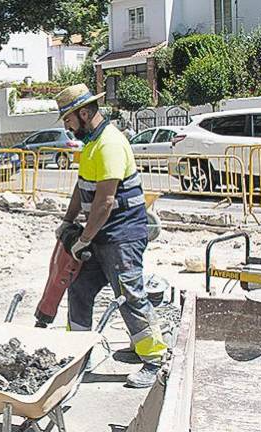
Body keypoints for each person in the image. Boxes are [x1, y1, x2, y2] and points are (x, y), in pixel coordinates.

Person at [54, 84, 167, 388]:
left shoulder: (109, 143)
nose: (66, 126)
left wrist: (82, 240)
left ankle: (155, 358)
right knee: (78, 288)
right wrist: (66, 222)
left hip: (122, 234)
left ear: (84, 112)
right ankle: (79, 353)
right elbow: (82, 188)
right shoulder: (90, 145)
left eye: (68, 119)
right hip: (101, 234)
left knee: (129, 294)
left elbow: (104, 202)